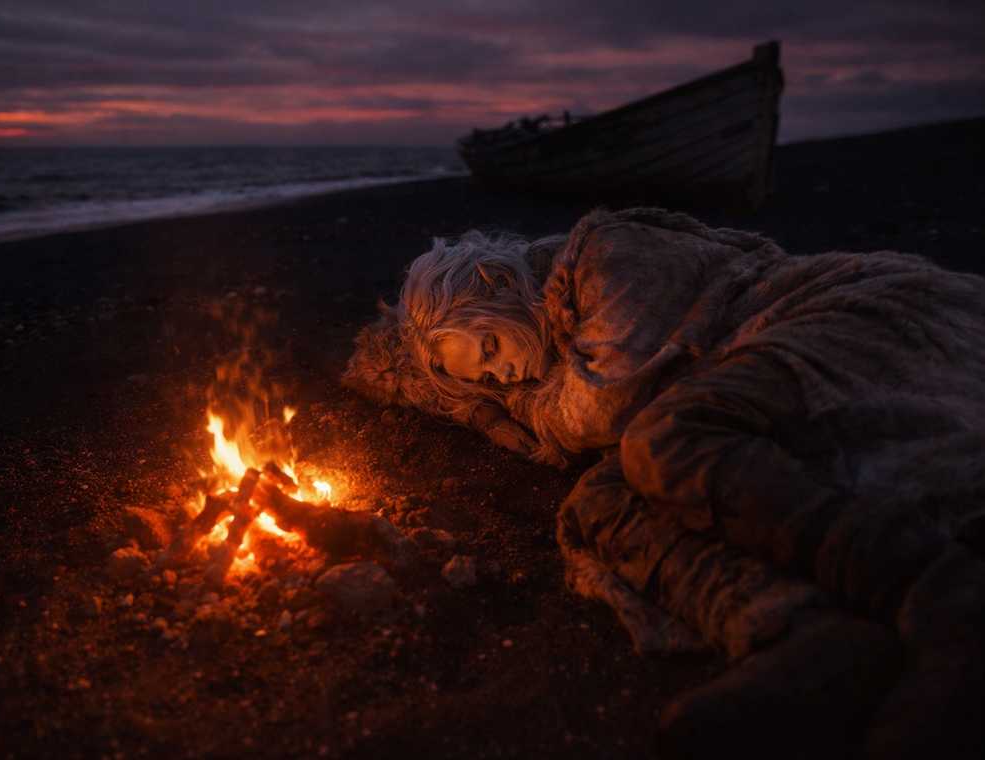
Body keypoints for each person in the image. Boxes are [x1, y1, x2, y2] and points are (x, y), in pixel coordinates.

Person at [343, 207, 985, 758]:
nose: (505, 378)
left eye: (488, 350)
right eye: (484, 382)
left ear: (499, 293)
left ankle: (941, 592)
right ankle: (804, 632)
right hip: (739, 391)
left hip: (843, 314)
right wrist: (473, 404)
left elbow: (605, 405)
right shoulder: (560, 354)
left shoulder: (606, 251)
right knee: (599, 502)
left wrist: (509, 416)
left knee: (662, 440)